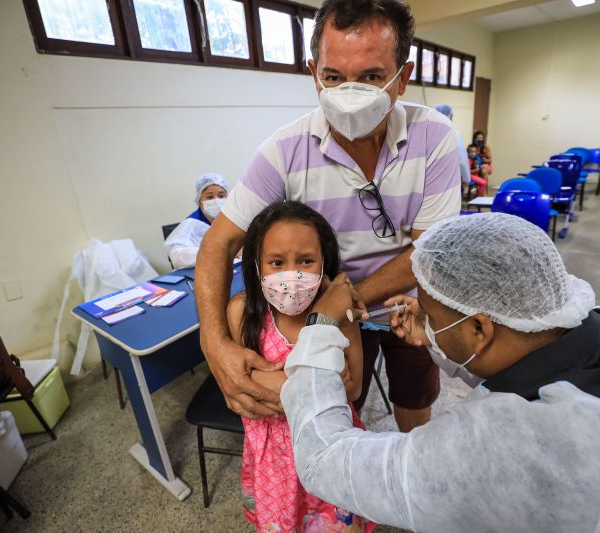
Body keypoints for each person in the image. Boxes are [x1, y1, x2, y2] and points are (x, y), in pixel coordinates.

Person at [280, 213, 600, 532]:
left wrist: (319, 328)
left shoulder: (504, 448)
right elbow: (516, 358)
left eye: (429, 313)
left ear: (480, 329)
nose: (421, 317)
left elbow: (324, 459)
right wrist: (439, 334)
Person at [194, 0, 461, 433]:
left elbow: (431, 252)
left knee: (415, 403)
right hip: (326, 311)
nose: (349, 97)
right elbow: (218, 243)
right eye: (334, 77)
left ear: (402, 78)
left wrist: (343, 300)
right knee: (338, 409)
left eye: (370, 77)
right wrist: (214, 342)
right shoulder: (283, 152)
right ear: (313, 72)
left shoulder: (434, 138)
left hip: (406, 306)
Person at [226, 201, 371, 532]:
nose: (291, 275)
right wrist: (320, 381)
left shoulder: (338, 311)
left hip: (329, 445)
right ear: (257, 264)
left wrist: (270, 379)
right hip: (273, 458)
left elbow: (353, 388)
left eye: (306, 261)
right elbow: (241, 382)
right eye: (277, 262)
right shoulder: (242, 312)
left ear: (324, 262)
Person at [163, 173, 228, 270]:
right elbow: (177, 256)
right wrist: (221, 252)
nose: (217, 201)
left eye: (221, 196)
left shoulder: (230, 218)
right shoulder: (192, 224)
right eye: (210, 197)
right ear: (199, 201)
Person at [434, 104, 469, 186]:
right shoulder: (453, 134)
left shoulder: (428, 132)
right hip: (449, 178)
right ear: (449, 116)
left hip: (430, 179)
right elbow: (461, 158)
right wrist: (466, 178)